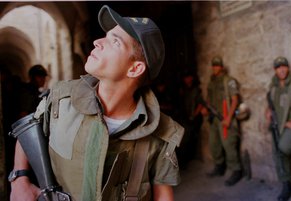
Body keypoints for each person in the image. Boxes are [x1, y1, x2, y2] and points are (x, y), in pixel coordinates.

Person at [9, 5, 184, 201]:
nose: (97, 41)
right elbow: (29, 133)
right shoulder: (61, 99)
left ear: (135, 69)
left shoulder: (161, 133)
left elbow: (163, 195)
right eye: (105, 35)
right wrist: (19, 178)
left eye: (115, 41)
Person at [266, 56, 291, 201]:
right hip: (278, 125)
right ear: (275, 70)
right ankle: (287, 186)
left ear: (288, 67)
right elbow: (270, 104)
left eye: (284, 66)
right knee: (277, 153)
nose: (282, 70)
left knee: (285, 146)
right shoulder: (272, 86)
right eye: (278, 67)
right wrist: (267, 111)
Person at [205, 56, 243, 186]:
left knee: (228, 144)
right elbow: (208, 100)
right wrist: (206, 111)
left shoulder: (229, 81)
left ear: (221, 67)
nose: (215, 68)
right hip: (214, 119)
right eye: (213, 66)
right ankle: (219, 167)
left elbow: (235, 100)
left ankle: (236, 170)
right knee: (213, 143)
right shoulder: (212, 82)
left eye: (217, 66)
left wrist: (228, 118)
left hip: (226, 117)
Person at [177, 70, 204, 167]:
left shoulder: (196, 89)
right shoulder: (182, 89)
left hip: (192, 118)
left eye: (188, 77)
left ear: (192, 78)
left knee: (188, 138)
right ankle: (183, 161)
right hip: (184, 118)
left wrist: (194, 115)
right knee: (183, 139)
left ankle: (185, 160)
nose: (186, 80)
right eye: (185, 78)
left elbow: (200, 104)